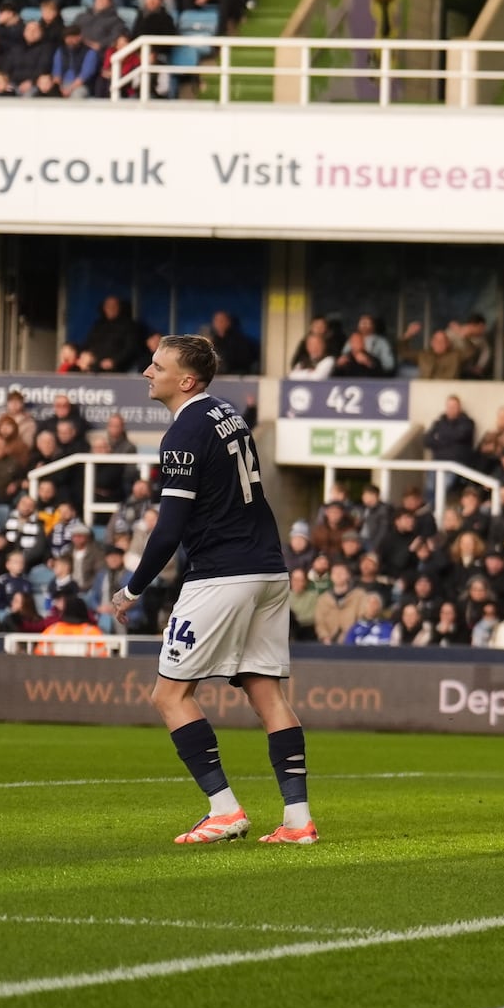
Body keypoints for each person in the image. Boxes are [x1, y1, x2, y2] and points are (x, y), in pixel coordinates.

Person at [111, 334, 316, 846]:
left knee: (169, 694)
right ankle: (297, 821)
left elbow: (169, 527)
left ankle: (223, 809)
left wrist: (133, 589)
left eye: (156, 365)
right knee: (266, 692)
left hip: (223, 574)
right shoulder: (228, 414)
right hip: (268, 570)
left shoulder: (183, 434)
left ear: (186, 380)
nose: (146, 372)